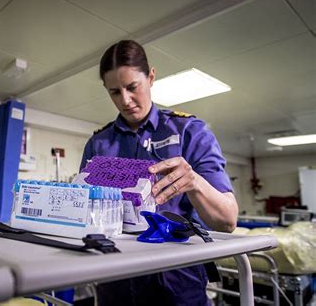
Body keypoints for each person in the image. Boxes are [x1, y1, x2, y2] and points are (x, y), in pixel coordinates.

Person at [80, 40, 238, 305]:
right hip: (114, 281)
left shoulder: (189, 132)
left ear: (151, 77)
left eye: (132, 87)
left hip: (178, 281)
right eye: (115, 92)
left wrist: (194, 182)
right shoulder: (98, 144)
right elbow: (85, 212)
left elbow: (227, 221)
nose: (125, 100)